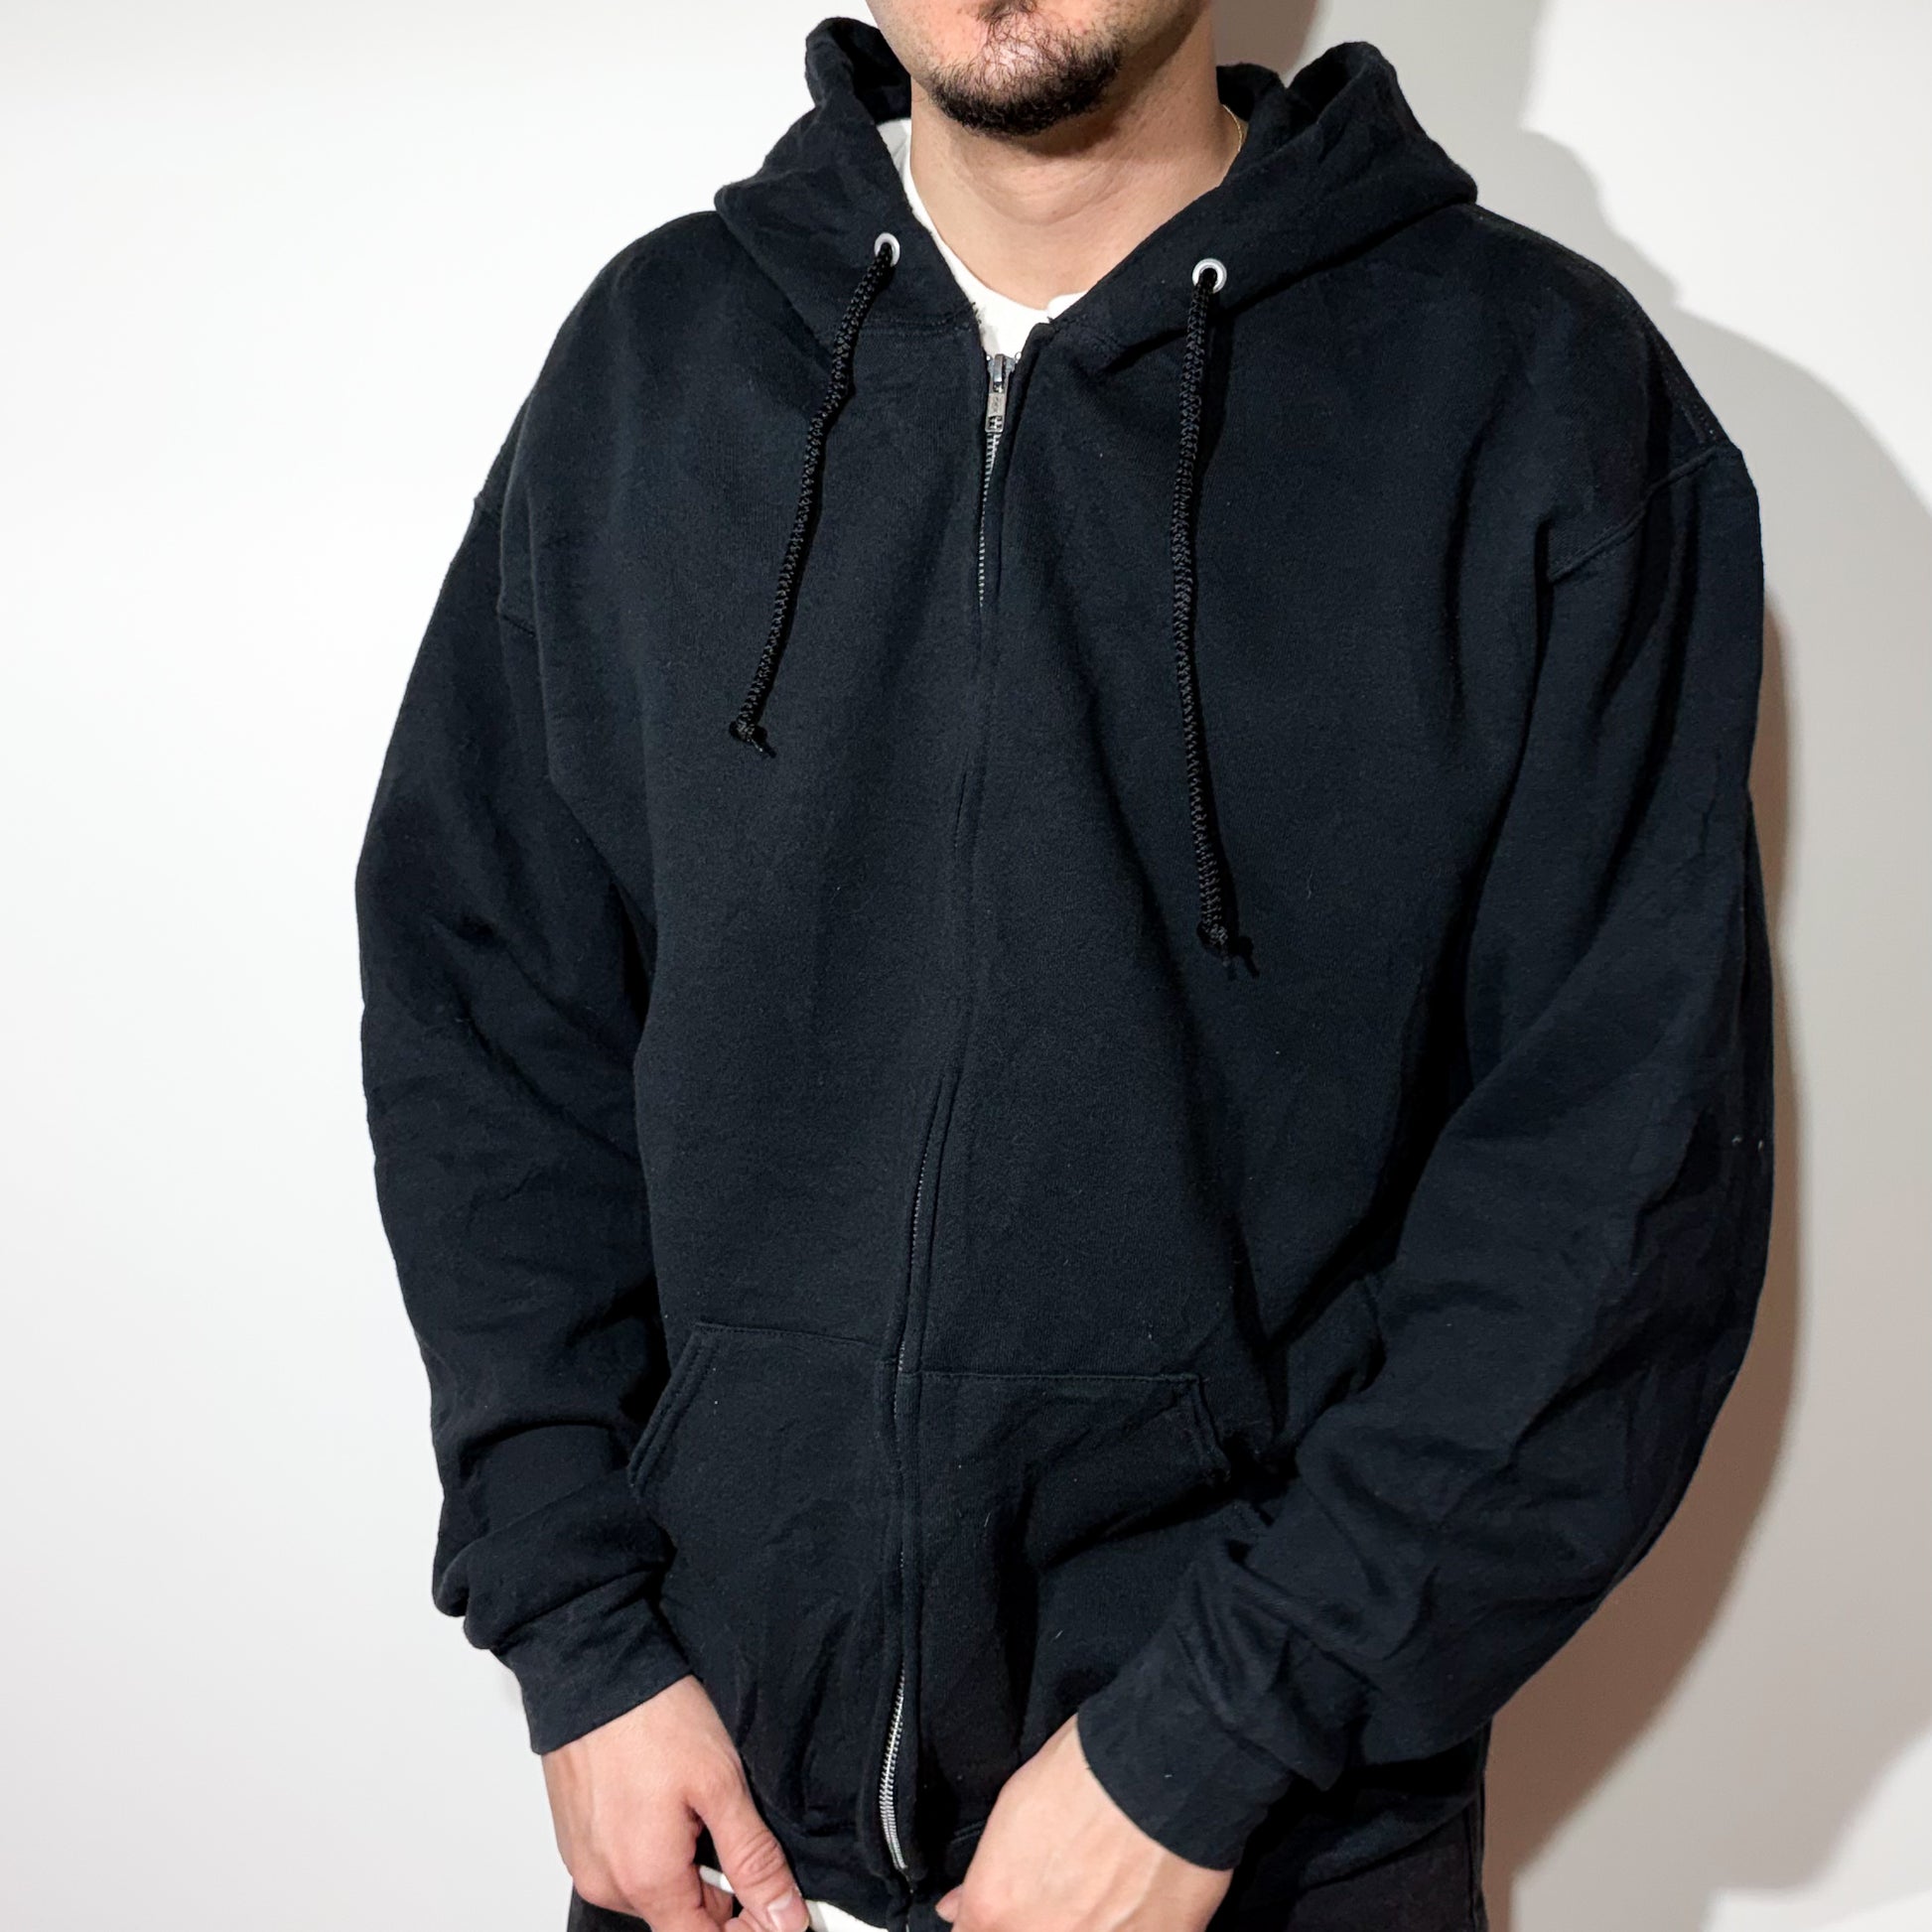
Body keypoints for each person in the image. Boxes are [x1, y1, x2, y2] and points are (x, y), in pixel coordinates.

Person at [353, 5, 1775, 1930]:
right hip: (712, 1826)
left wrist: (1211, 1740)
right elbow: (489, 1024)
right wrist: (581, 1637)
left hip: (1250, 1845)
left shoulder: (1529, 393)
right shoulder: (661, 357)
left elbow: (1614, 1174)